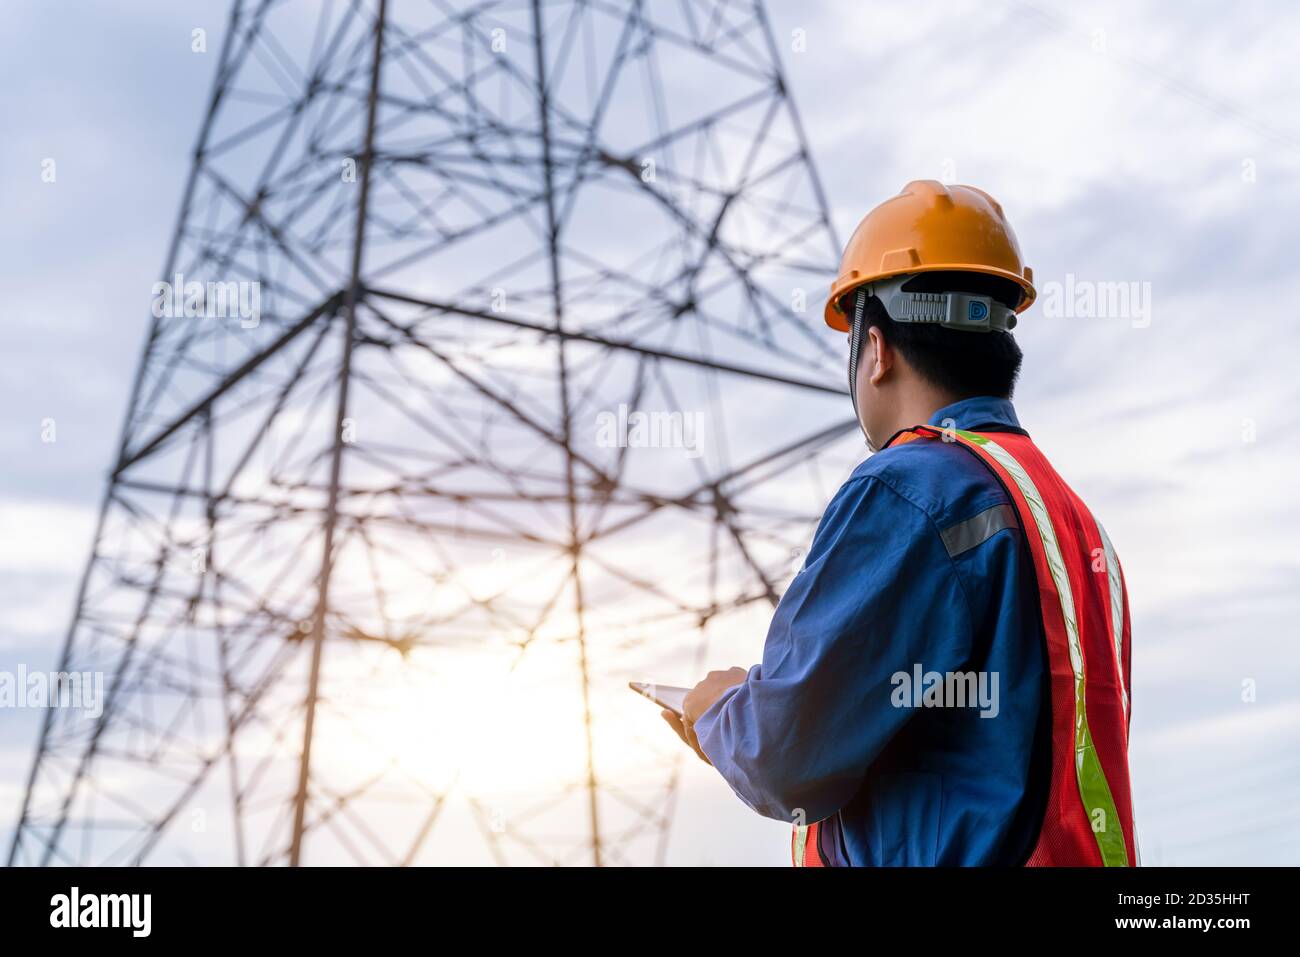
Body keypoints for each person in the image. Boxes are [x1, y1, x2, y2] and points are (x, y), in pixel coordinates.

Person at [662, 181, 1136, 866]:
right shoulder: (1066, 515)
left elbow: (786, 754)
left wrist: (719, 712)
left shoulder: (912, 487)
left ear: (875, 349)